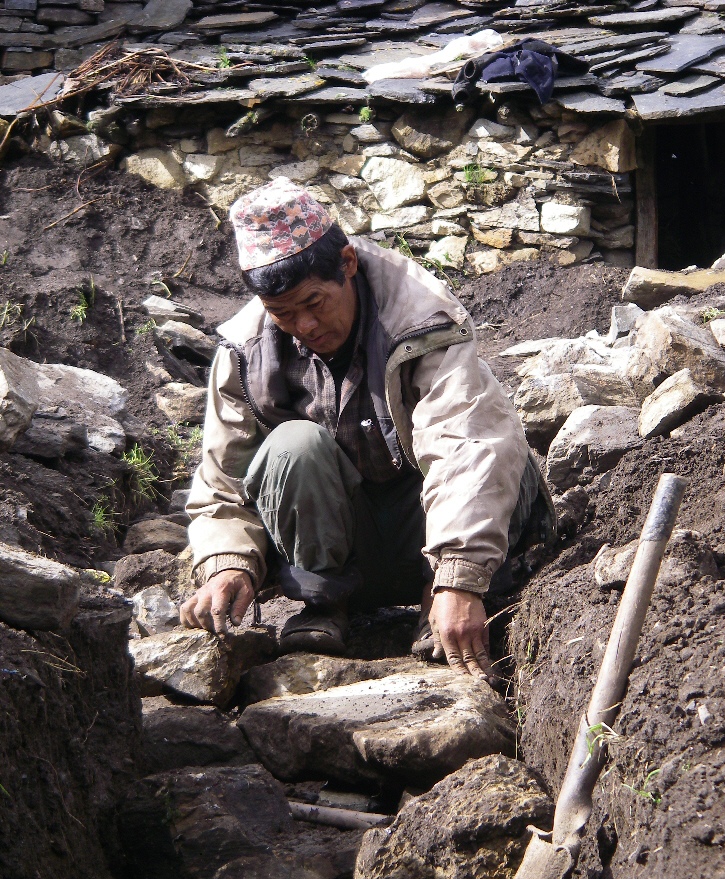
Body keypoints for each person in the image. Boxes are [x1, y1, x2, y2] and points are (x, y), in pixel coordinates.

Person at [180, 178, 555, 680]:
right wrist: (227, 562)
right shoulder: (245, 351)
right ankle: (323, 602)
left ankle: (435, 599)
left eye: (315, 302)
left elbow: (467, 445)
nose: (305, 326)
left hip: (422, 530)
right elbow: (220, 483)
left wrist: (458, 578)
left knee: (503, 446)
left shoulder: (420, 320)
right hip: (345, 547)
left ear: (348, 265)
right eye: (283, 313)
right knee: (292, 445)